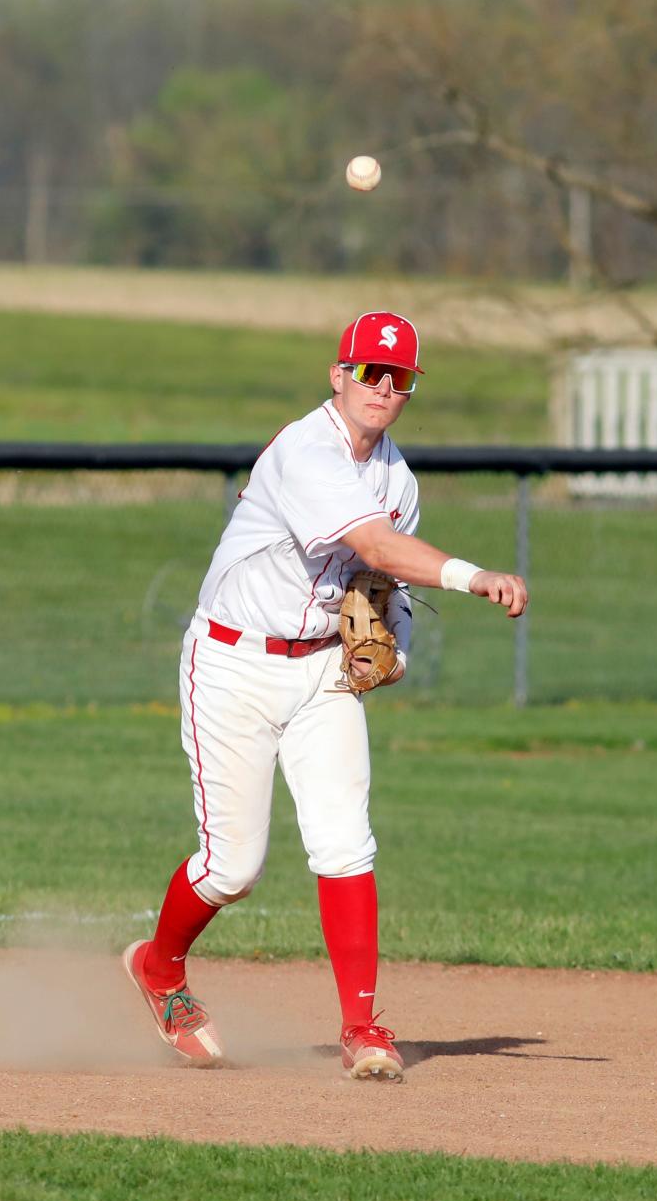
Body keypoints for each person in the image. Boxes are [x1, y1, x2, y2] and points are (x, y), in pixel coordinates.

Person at [124, 311, 528, 1081]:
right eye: (368, 372)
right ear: (338, 375)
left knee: (346, 842)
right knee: (232, 868)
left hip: (324, 672)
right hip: (233, 663)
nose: (382, 387)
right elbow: (374, 545)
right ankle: (160, 968)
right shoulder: (307, 450)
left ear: (410, 389)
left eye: (398, 377)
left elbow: (383, 577)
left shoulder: (397, 479)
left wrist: (395, 638)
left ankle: (362, 1028)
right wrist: (474, 576)